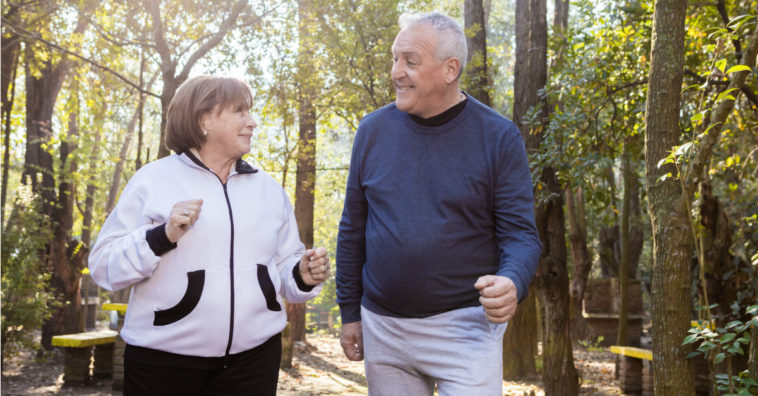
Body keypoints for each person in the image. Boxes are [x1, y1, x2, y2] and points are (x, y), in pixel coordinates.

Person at [336, 11, 541, 395]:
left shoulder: (499, 137)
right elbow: (352, 230)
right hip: (384, 329)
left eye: (410, 61)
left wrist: (512, 280)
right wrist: (350, 312)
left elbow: (521, 237)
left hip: (466, 330)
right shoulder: (372, 132)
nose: (397, 71)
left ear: (450, 70)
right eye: (395, 58)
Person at [89, 75, 330, 396]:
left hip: (254, 360)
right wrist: (161, 236)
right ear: (204, 120)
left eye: (250, 112)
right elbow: (104, 267)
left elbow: (284, 269)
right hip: (164, 364)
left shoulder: (268, 190)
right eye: (240, 112)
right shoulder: (153, 181)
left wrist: (302, 275)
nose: (252, 122)